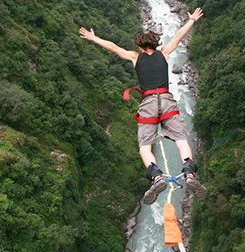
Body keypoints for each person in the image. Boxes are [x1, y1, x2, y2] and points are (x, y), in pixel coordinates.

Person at [80, 8, 206, 204]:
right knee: (181, 139)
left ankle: (156, 177)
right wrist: (191, 20)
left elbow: (113, 47)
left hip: (148, 104)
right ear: (155, 44)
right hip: (166, 101)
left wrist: (94, 38)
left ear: (140, 46)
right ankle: (189, 174)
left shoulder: (135, 57)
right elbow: (179, 36)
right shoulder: (163, 54)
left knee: (145, 147)